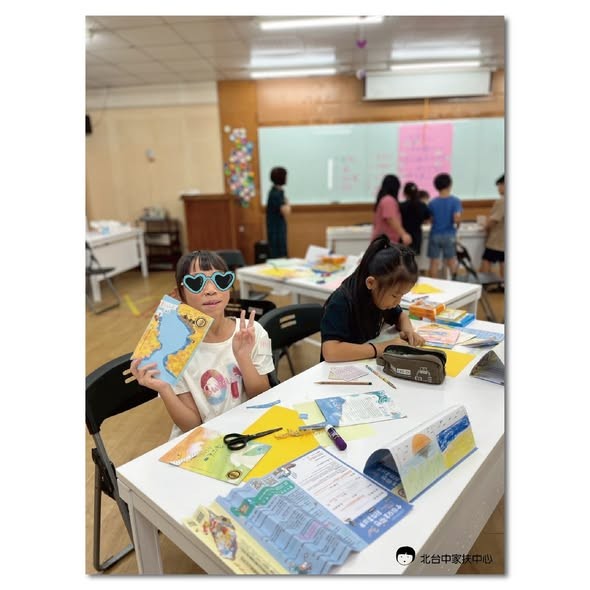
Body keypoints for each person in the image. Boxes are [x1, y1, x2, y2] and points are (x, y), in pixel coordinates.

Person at [129, 250, 275, 439]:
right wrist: (165, 389)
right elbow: (191, 426)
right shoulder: (173, 351)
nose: (210, 290)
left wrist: (243, 357)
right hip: (201, 440)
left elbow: (261, 395)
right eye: (196, 283)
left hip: (245, 431)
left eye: (220, 280)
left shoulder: (251, 332)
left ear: (230, 287)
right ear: (179, 294)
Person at [321, 234, 425, 362]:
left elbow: (400, 315)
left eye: (401, 296)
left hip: (362, 363)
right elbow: (331, 352)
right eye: (395, 295)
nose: (397, 302)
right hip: (336, 368)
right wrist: (381, 348)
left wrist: (408, 331)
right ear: (371, 283)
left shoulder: (381, 296)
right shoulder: (341, 301)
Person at [427, 173, 462, 278]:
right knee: (451, 261)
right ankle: (455, 283)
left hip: (435, 234)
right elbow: (456, 218)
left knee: (434, 262)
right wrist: (458, 226)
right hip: (449, 234)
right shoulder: (455, 201)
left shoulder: (432, 202)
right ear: (450, 185)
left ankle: (432, 284)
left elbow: (431, 220)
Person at [371, 174, 412, 246]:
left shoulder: (385, 199)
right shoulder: (388, 200)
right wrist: (403, 234)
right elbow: (390, 218)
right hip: (385, 242)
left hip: (385, 242)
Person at [480, 174, 505, 283]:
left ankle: (485, 284)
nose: (498, 189)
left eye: (499, 185)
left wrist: (485, 226)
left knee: (486, 260)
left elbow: (494, 220)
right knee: (503, 261)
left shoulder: (502, 201)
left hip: (497, 240)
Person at [400, 181, 431, 255]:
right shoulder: (422, 205)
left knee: (403, 257)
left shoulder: (401, 206)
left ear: (404, 193)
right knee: (414, 258)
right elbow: (427, 219)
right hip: (416, 236)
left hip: (403, 235)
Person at [266, 166, 291, 258]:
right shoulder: (276, 194)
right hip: (276, 229)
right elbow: (286, 211)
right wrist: (287, 203)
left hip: (276, 227)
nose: (287, 178)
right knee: (279, 253)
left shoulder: (276, 191)